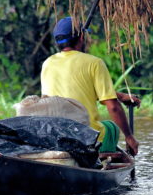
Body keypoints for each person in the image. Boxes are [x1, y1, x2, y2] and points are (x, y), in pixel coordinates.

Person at [41, 16, 140, 155]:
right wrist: (129, 137)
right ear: (81, 37)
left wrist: (120, 96)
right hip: (86, 136)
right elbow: (113, 107)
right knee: (111, 127)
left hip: (55, 134)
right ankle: (102, 158)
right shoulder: (94, 63)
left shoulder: (47, 63)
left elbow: (79, 88)